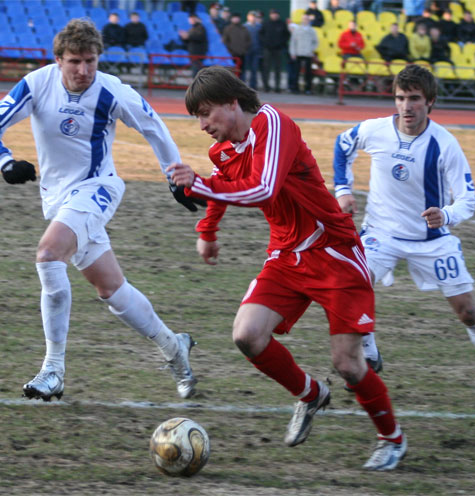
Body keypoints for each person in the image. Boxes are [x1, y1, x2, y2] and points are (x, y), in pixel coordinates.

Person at [167, 65, 408, 471]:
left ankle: (392, 439)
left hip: (333, 253)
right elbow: (225, 181)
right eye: (197, 117)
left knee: (347, 364)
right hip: (287, 255)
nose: (203, 124)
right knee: (246, 335)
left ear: (232, 102)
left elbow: (264, 186)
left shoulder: (274, 124)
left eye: (207, 112)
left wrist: (195, 184)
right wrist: (207, 229)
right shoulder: (222, 149)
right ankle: (310, 393)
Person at [0, 19, 201, 403]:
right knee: (111, 288)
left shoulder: (111, 90)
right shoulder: (35, 84)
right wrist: (4, 162)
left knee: (48, 255)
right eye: (75, 62)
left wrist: (173, 176)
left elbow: (154, 127)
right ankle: (173, 346)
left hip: (99, 188)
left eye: (91, 61)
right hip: (59, 198)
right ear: (58, 60)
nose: (83, 71)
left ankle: (53, 369)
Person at [332, 64, 475, 404]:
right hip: (380, 234)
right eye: (401, 98)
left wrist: (445, 214)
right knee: (348, 286)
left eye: (414, 99)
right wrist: (343, 189)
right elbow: (342, 145)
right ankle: (369, 354)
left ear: (430, 102)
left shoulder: (445, 145)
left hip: (432, 242)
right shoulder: (375, 130)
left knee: (467, 312)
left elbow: (467, 200)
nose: (406, 106)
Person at [259, 8, 290, 93]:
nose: (274, 15)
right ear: (270, 15)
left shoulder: (282, 23)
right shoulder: (266, 23)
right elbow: (261, 35)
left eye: (276, 14)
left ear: (278, 15)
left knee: (278, 69)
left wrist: (280, 44)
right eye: (273, 14)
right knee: (266, 68)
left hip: (278, 49)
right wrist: (266, 43)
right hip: (267, 49)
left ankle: (277, 87)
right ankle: (266, 86)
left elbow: (286, 36)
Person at [289, 13, 318, 94]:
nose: (305, 20)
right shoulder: (297, 30)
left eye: (307, 19)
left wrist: (311, 50)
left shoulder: (312, 30)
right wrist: (293, 52)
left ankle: (307, 88)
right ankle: (295, 88)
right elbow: (293, 42)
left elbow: (315, 42)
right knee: (296, 72)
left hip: (308, 54)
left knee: (308, 73)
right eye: (304, 18)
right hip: (298, 53)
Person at [178, 12, 208, 76]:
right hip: (193, 53)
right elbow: (187, 41)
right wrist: (184, 37)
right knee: (195, 71)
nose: (191, 20)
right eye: (190, 19)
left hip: (198, 53)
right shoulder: (192, 29)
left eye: (193, 18)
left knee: (196, 72)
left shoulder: (200, 28)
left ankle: (197, 85)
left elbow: (199, 37)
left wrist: (188, 36)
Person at [243, 10, 262, 90]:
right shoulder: (244, 26)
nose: (253, 18)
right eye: (251, 16)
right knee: (243, 69)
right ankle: (243, 85)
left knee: (254, 69)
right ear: (248, 17)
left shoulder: (259, 26)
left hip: (256, 50)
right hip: (246, 51)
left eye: (254, 16)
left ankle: (253, 85)